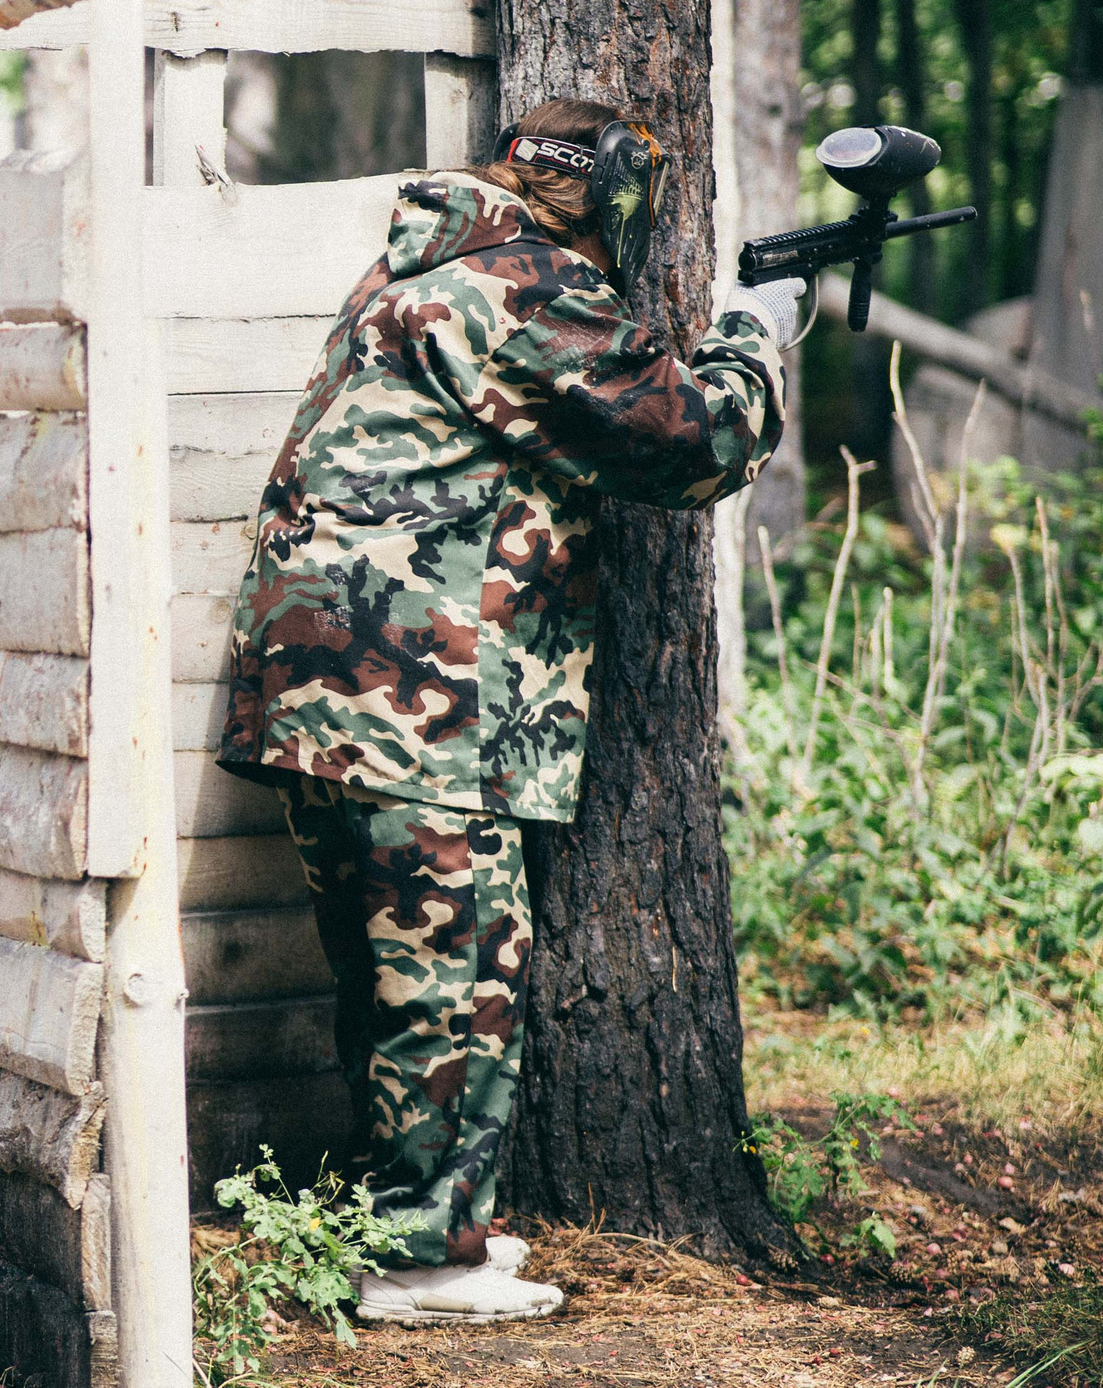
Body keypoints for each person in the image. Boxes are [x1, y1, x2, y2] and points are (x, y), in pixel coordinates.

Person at [216, 98, 802, 1326]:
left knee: (395, 980)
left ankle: (414, 1222)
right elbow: (692, 443)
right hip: (413, 693)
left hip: (328, 687)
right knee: (459, 973)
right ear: (613, 199)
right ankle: (420, 1262)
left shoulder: (415, 269)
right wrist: (753, 338)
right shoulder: (520, 287)